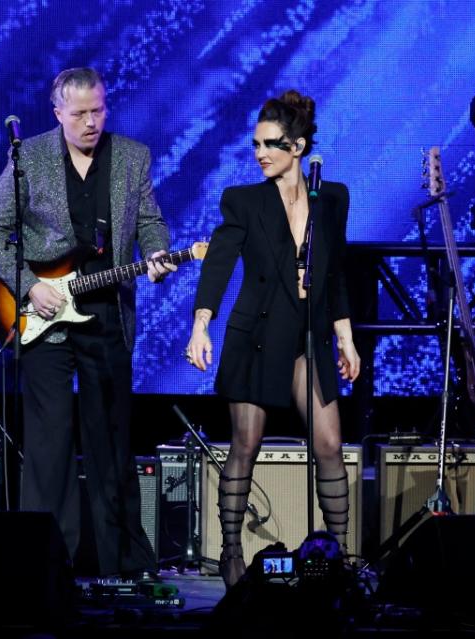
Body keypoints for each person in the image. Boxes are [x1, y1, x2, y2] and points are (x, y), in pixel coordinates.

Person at [0, 67, 175, 578]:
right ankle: (44, 567)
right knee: (49, 444)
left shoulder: (132, 157)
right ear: (57, 112)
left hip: (106, 315)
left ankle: (121, 566)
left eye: (99, 110)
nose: (91, 121)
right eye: (80, 112)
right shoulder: (29, 157)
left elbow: (150, 222)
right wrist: (28, 285)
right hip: (43, 317)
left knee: (110, 440)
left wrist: (155, 255)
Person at [186, 90, 361, 588]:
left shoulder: (333, 199)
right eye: (256, 144)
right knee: (246, 444)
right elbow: (220, 261)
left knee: (329, 444)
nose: (261, 153)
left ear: (299, 147)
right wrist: (201, 324)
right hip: (257, 334)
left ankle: (338, 556)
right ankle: (232, 552)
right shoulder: (243, 200)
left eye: (271, 144)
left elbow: (335, 274)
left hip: (307, 335)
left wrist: (344, 337)